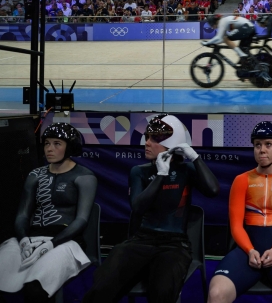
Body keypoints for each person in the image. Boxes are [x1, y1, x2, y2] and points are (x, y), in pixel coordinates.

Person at [83, 114, 220, 303]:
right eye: (147, 137)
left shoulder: (186, 171)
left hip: (174, 246)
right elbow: (137, 208)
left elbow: (213, 190)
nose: (147, 143)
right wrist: (161, 174)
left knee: (163, 292)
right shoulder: (139, 171)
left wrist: (195, 157)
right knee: (101, 288)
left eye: (154, 139)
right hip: (140, 241)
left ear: (171, 145)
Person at [208, 121, 272, 303]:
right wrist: (249, 250)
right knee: (216, 293)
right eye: (257, 145)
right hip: (247, 251)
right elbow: (236, 226)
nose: (262, 150)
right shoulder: (241, 180)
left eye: (268, 144)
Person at [0, 123, 97, 302]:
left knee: (35, 289)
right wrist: (22, 240)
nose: (49, 149)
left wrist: (52, 244)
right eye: (46, 143)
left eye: (57, 144)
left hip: (66, 241)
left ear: (70, 147)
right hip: (30, 238)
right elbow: (22, 214)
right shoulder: (35, 175)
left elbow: (82, 219)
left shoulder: (84, 177)